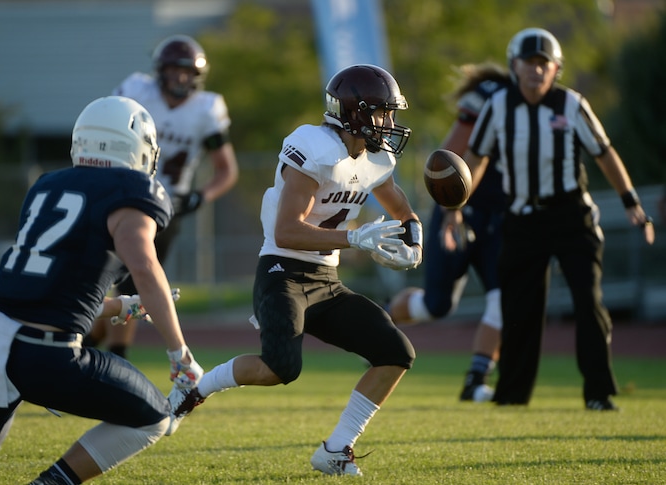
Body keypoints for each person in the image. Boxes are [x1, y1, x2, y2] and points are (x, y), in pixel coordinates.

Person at [168, 64, 421, 476]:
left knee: (396, 352)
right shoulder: (314, 147)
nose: (390, 124)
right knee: (280, 368)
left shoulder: (375, 157)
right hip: (282, 272)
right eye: (382, 113)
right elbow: (287, 231)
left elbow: (395, 200)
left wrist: (414, 234)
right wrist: (355, 239)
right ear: (355, 112)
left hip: (326, 280)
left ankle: (336, 449)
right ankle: (196, 386)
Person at [0, 96, 204, 483]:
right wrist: (179, 353)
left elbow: (48, 290)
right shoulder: (130, 190)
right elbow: (145, 266)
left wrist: (118, 306)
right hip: (48, 357)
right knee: (155, 418)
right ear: (137, 148)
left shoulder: (48, 186)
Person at [463, 28, 654, 410]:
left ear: (556, 69)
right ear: (513, 66)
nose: (536, 71)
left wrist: (630, 199)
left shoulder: (571, 104)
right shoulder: (498, 105)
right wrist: (455, 206)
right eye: (528, 63)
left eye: (543, 63)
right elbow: (476, 157)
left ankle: (598, 394)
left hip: (571, 216)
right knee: (519, 310)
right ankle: (512, 396)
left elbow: (604, 152)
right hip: (521, 218)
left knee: (589, 302)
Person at [86, 34, 239, 359]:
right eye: (173, 70)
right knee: (102, 283)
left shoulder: (206, 108)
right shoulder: (136, 92)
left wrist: (199, 196)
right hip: (120, 195)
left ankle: (115, 357)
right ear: (160, 71)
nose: (180, 78)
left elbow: (227, 170)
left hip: (162, 208)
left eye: (186, 71)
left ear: (197, 76)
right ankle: (91, 348)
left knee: (132, 284)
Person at [388, 62, 510, 403]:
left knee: (502, 299)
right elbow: (447, 162)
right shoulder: (490, 99)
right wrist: (451, 211)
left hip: (501, 220)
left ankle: (475, 380)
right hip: (461, 211)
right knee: (436, 305)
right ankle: (379, 322)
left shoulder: (554, 109)